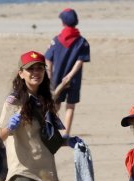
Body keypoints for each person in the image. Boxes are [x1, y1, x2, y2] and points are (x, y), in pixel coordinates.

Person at [0, 50, 72, 181]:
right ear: (21, 73)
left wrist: (68, 141)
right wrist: (9, 128)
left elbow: (47, 138)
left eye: (40, 68)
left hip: (48, 174)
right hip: (22, 172)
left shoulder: (45, 100)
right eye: (31, 69)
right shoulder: (14, 101)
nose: (36, 72)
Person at [45, 8, 90, 136]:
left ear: (63, 23)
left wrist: (50, 77)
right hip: (74, 79)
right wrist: (70, 76)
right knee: (70, 106)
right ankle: (66, 135)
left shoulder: (56, 40)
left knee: (55, 105)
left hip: (57, 78)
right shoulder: (82, 42)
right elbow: (80, 61)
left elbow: (48, 60)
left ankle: (51, 131)